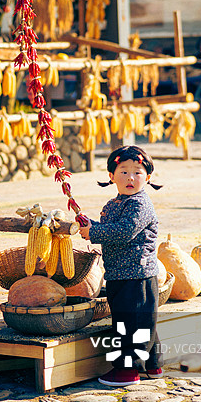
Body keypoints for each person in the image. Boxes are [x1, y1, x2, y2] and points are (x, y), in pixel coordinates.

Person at [79, 146, 163, 387]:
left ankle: (128, 370)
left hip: (137, 274)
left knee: (131, 323)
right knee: (143, 320)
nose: (130, 178)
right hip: (119, 272)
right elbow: (110, 228)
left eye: (137, 172)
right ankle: (152, 365)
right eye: (123, 171)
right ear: (111, 176)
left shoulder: (140, 204)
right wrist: (90, 224)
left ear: (147, 178)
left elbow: (124, 231)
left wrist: (93, 232)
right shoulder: (116, 202)